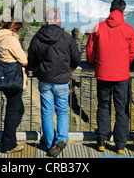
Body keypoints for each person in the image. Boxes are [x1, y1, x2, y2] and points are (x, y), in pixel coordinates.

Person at [86, 0, 134, 154]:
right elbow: (132, 52)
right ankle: (120, 145)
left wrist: (92, 61)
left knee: (103, 107)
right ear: (123, 11)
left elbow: (90, 51)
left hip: (102, 74)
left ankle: (102, 141)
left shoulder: (98, 27)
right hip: (121, 75)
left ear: (110, 10)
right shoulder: (129, 30)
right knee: (121, 110)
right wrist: (124, 64)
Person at [26, 10, 81, 157]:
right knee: (62, 111)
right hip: (62, 80)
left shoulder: (37, 38)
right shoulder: (66, 37)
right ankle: (61, 139)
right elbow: (76, 57)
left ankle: (50, 144)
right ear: (58, 21)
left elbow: (31, 60)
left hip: (44, 80)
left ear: (46, 20)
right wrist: (71, 67)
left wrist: (33, 68)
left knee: (47, 113)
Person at [0, 18, 29, 154]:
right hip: (14, 79)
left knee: (17, 110)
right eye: (18, 29)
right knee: (14, 112)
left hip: (6, 77)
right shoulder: (11, 39)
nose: (18, 32)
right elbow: (23, 60)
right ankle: (8, 144)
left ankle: (7, 139)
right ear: (13, 29)